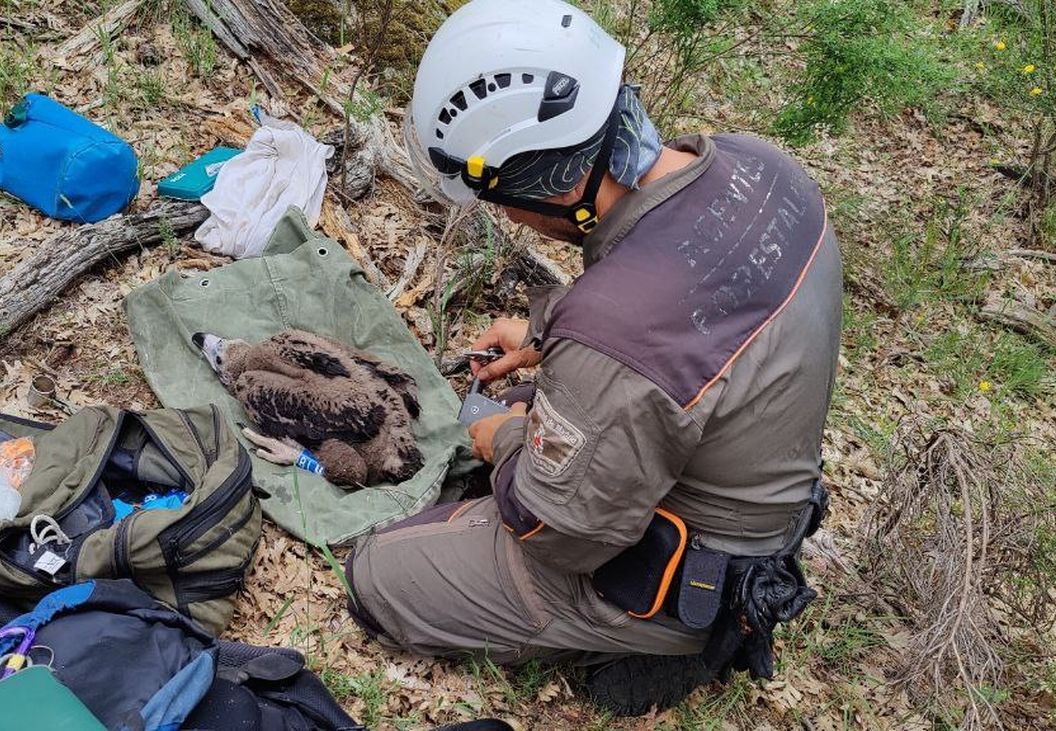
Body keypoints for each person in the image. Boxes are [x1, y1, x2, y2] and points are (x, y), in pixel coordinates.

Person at [345, 0, 842, 715]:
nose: (506, 217)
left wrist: (506, 439)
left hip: (686, 568)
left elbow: (558, 530)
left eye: (500, 197)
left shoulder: (618, 334)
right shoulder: (762, 168)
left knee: (377, 575)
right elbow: (697, 309)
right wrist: (551, 334)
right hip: (759, 506)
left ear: (548, 180)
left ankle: (657, 641)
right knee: (532, 408)